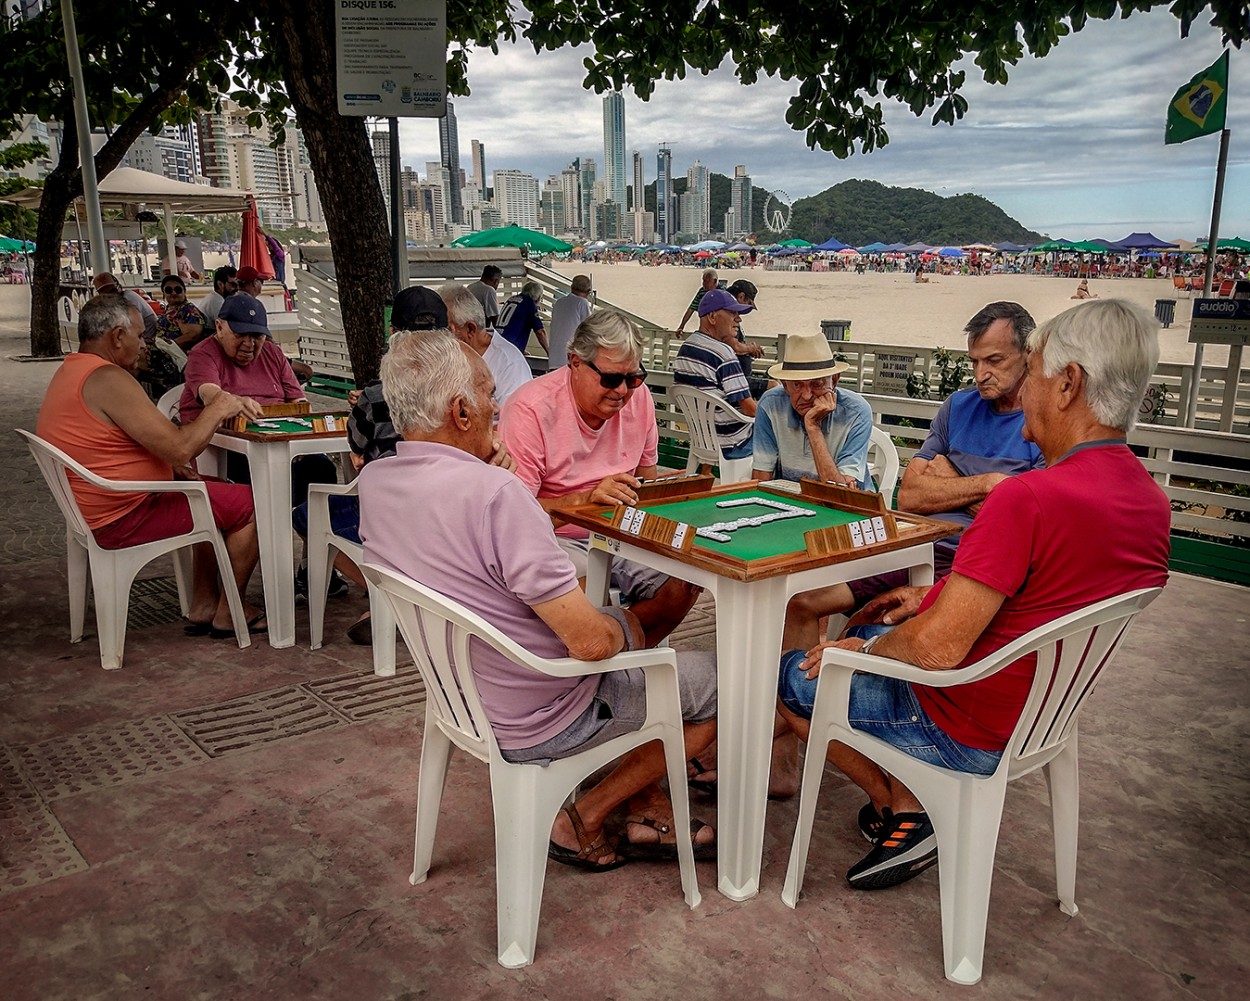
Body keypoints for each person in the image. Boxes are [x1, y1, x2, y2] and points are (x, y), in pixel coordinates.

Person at [777, 298, 1171, 890]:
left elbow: (935, 652)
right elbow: (1036, 599)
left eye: (1033, 370)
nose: (1025, 393)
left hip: (963, 718)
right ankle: (910, 806)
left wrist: (855, 654)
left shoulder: (1029, 500)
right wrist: (925, 601)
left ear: (1068, 384)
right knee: (873, 627)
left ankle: (907, 805)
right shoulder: (1149, 501)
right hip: (1042, 713)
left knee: (795, 675)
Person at [360, 330, 718, 867]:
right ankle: (585, 815)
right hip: (546, 710)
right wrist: (633, 627)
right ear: (460, 411)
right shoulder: (498, 497)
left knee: (641, 634)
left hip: (464, 694)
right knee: (724, 682)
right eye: (487, 396)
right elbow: (592, 645)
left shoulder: (376, 482)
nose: (495, 407)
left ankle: (634, 783)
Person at [784, 301, 1044, 650]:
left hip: (973, 566)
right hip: (911, 546)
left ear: (1028, 354)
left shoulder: (1040, 423)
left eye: (994, 361)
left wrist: (948, 479)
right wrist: (989, 485)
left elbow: (1024, 527)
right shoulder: (958, 406)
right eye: (974, 362)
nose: (981, 374)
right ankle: (788, 702)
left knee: (861, 630)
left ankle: (817, 692)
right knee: (802, 602)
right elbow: (909, 496)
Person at [35, 296, 264, 637]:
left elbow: (122, 445)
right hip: (124, 513)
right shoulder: (108, 378)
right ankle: (230, 611)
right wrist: (218, 407)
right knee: (251, 503)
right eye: (139, 336)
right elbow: (180, 447)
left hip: (100, 505)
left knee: (215, 490)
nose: (145, 345)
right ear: (116, 337)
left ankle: (204, 601)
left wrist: (172, 469)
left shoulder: (72, 369)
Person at [500, 310, 702, 644]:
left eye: (634, 378)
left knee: (686, 579)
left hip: (622, 530)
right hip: (557, 536)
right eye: (610, 379)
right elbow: (515, 521)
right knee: (568, 593)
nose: (622, 391)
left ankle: (612, 651)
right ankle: (618, 653)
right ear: (575, 363)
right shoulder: (531, 409)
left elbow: (648, 489)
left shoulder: (640, 400)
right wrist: (584, 500)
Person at [178, 293, 336, 508]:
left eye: (257, 336)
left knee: (321, 469)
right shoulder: (202, 354)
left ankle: (311, 532)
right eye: (240, 334)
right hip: (227, 447)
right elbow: (210, 394)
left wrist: (299, 439)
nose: (249, 344)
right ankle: (267, 533)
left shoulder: (272, 352)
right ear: (219, 327)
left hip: (280, 442)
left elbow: (298, 400)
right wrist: (233, 403)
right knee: (261, 479)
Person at [751, 329, 873, 490]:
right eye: (797, 384)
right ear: (785, 385)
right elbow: (761, 481)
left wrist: (813, 427)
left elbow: (840, 494)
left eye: (817, 384)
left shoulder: (857, 412)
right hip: (792, 501)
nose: (807, 395)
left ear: (834, 381)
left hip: (848, 509)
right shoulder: (770, 405)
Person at [672, 287, 757, 461]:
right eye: (732, 313)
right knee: (775, 434)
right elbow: (750, 409)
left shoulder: (686, 348)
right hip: (732, 442)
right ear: (711, 317)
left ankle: (705, 474)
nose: (738, 319)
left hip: (702, 440)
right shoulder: (724, 353)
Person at [440, 282, 532, 409]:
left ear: (470, 329)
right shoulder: (448, 356)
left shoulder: (510, 363)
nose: (441, 336)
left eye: (446, 329)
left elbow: (516, 420)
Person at [545, 274, 593, 370]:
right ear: (588, 292)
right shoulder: (582, 303)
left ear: (571, 287)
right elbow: (590, 329)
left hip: (554, 358)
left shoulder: (559, 302)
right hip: (569, 359)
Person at [91, 272, 157, 342]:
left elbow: (131, 323)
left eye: (112, 291)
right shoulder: (119, 300)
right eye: (106, 293)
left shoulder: (128, 297)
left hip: (149, 332)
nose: (110, 295)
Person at [724, 278, 766, 382]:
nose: (739, 318)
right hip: (734, 380)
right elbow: (734, 346)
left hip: (738, 377)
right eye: (748, 302)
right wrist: (751, 348)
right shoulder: (726, 315)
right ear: (741, 296)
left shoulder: (730, 315)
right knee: (774, 385)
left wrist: (748, 350)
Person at [154, 275, 209, 352]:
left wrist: (168, 347)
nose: (173, 293)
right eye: (169, 290)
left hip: (177, 355)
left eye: (178, 290)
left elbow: (193, 335)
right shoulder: (169, 310)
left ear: (184, 292)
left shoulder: (189, 310)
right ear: (164, 293)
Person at [495, 281, 546, 354]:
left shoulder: (511, 299)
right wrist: (549, 352)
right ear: (538, 297)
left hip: (497, 342)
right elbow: (540, 332)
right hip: (509, 348)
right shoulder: (529, 304)